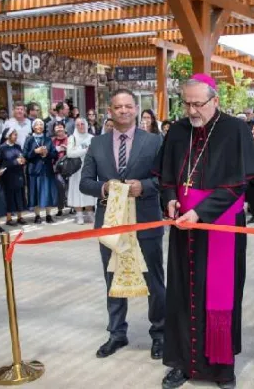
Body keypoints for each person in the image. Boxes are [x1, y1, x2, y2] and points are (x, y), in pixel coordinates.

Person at [157, 74, 254, 389]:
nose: (191, 110)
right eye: (186, 103)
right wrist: (171, 200)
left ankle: (221, 368)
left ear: (215, 101)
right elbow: (165, 178)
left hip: (222, 227)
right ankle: (182, 363)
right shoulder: (178, 131)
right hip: (183, 228)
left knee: (221, 295)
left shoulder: (235, 129)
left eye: (198, 104)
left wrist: (200, 211)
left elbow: (237, 184)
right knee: (182, 295)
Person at [80, 89, 166, 360]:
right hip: (111, 221)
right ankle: (117, 333)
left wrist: (146, 186)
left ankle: (160, 334)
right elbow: (84, 182)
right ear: (110, 111)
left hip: (145, 219)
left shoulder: (154, 142)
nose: (124, 111)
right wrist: (104, 187)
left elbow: (167, 178)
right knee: (112, 277)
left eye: (129, 106)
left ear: (136, 109)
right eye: (118, 107)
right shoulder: (97, 144)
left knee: (153, 279)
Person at [23, 119, 57, 224]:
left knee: (48, 193)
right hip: (34, 171)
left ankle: (48, 215)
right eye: (37, 124)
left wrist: (47, 154)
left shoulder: (48, 139)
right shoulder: (29, 139)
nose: (39, 126)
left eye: (41, 124)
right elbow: (25, 155)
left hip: (46, 169)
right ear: (33, 127)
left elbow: (54, 154)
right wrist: (35, 152)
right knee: (35, 193)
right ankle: (37, 215)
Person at [67, 118, 96, 225]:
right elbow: (70, 153)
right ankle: (79, 215)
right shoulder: (72, 138)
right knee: (76, 191)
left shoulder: (92, 138)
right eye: (78, 125)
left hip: (89, 168)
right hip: (76, 169)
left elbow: (95, 152)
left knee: (89, 191)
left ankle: (90, 213)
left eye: (82, 124)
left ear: (87, 125)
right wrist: (85, 150)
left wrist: (79, 151)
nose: (80, 126)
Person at [0, 128, 27, 226]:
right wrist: (15, 162)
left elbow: (22, 156)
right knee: (9, 196)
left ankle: (20, 216)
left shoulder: (18, 146)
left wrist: (23, 161)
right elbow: (1, 163)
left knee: (20, 195)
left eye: (16, 134)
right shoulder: (2, 148)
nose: (16, 136)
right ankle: (9, 217)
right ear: (8, 135)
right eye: (14, 134)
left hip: (19, 173)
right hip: (8, 175)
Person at [52, 122, 69, 217]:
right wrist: (57, 149)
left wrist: (67, 148)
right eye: (57, 127)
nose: (59, 129)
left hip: (70, 166)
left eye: (61, 127)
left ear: (64, 128)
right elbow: (50, 152)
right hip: (57, 167)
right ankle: (60, 208)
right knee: (60, 186)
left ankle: (72, 207)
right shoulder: (52, 140)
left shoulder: (70, 139)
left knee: (70, 186)